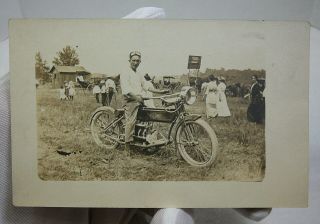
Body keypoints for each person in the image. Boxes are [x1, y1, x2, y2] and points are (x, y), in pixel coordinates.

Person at [120, 51, 146, 150]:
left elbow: (145, 85)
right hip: (130, 100)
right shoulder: (125, 72)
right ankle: (127, 147)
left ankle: (141, 137)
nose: (135, 62)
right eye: (133, 60)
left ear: (140, 61)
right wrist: (137, 98)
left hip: (138, 99)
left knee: (149, 116)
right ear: (129, 60)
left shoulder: (138, 73)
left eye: (137, 61)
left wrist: (159, 91)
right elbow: (126, 90)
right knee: (130, 122)